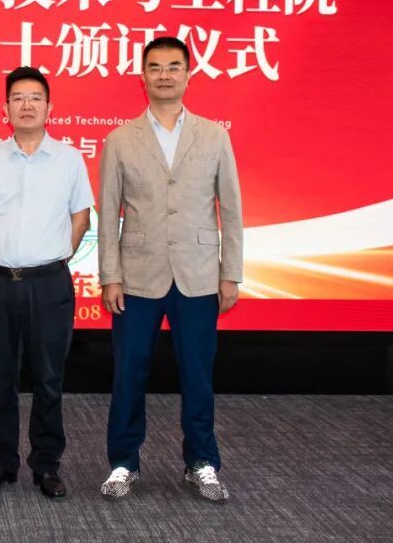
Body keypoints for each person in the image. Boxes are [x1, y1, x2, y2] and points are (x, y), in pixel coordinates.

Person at [97, 36, 243, 503]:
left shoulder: (214, 135)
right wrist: (110, 275)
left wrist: (230, 272)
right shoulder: (120, 139)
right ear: (142, 76)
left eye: (173, 66)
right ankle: (123, 462)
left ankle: (202, 462)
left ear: (188, 75)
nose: (164, 75)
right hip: (137, 275)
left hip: (198, 275)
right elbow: (108, 212)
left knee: (198, 374)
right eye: (155, 67)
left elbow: (231, 209)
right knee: (129, 373)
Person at [0, 68, 93, 499]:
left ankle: (46, 464)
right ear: (5, 108)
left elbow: (81, 218)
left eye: (35, 97)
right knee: (0, 376)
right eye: (17, 97)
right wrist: (7, 252)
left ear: (49, 107)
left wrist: (50, 256)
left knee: (48, 377)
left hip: (49, 284)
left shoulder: (69, 159)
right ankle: (2, 461)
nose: (26, 105)